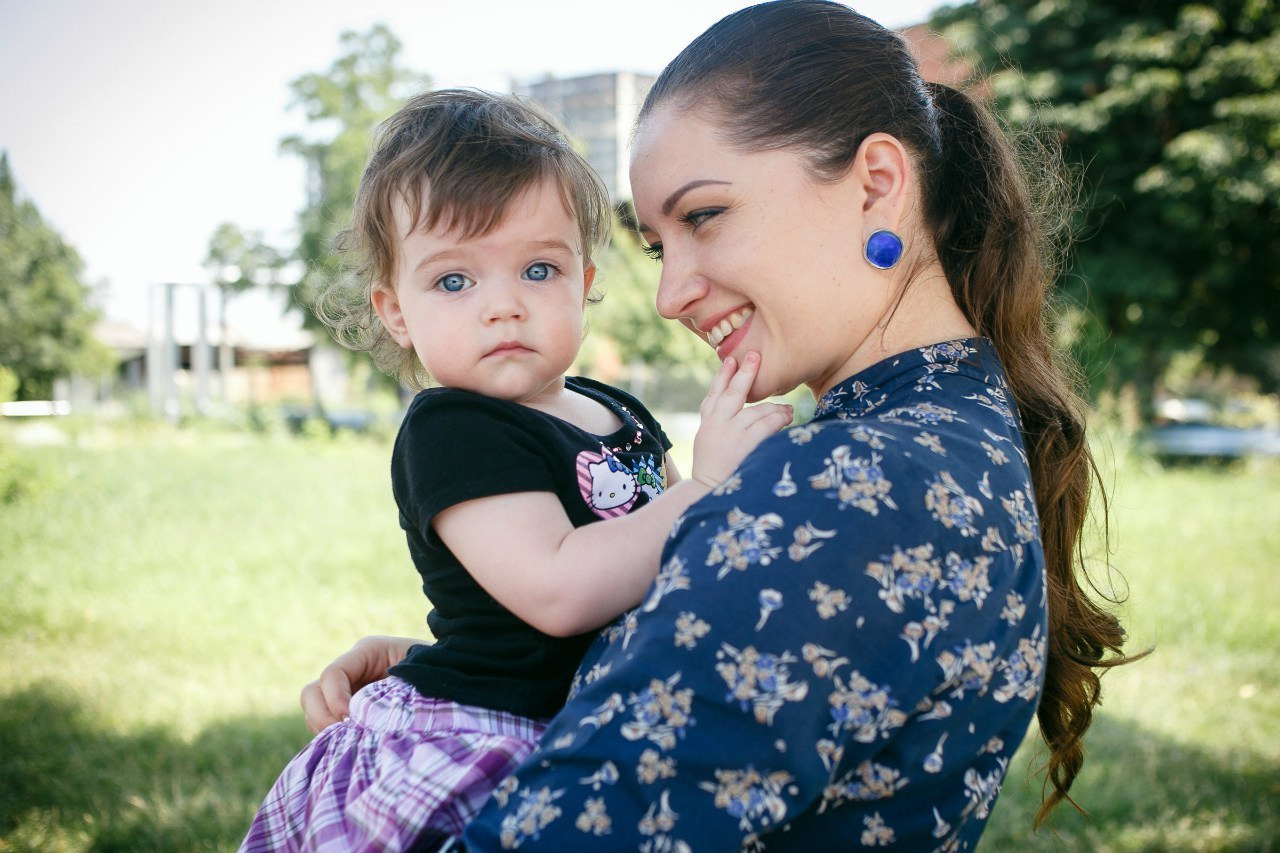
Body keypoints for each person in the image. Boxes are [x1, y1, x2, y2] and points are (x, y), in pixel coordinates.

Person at [305, 3, 1143, 849]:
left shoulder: (848, 489)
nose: (669, 298)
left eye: (703, 216)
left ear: (879, 185)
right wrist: (443, 671)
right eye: (658, 247)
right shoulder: (940, 429)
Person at [240, 88, 792, 852]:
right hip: (485, 739)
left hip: (590, 715)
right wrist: (702, 487)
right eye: (455, 281)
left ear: (584, 279)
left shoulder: (615, 407)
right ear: (395, 309)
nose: (503, 305)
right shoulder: (453, 428)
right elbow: (561, 591)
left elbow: (675, 569)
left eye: (537, 269)